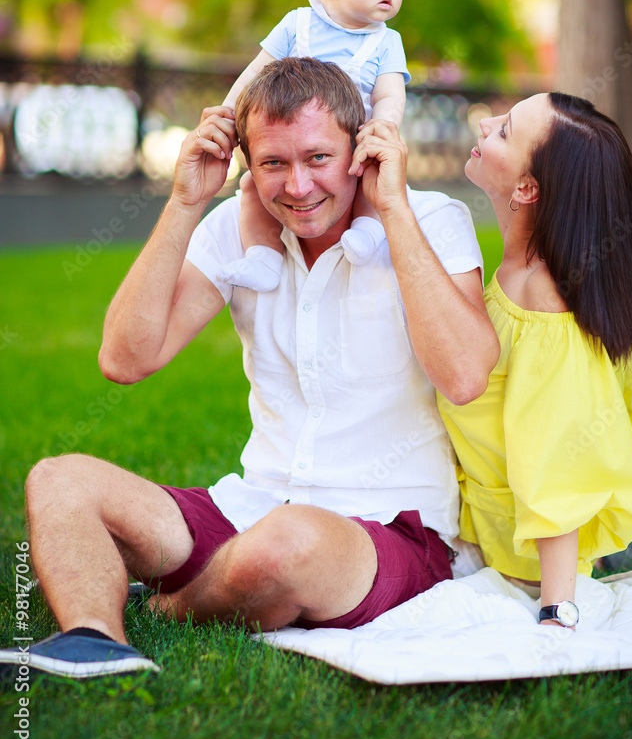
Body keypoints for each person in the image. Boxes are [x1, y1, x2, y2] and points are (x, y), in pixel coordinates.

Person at [0, 57, 499, 679]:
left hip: (388, 531)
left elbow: (466, 375)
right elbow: (125, 359)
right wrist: (185, 202)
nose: (296, 185)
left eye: (318, 158)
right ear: (247, 162)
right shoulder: (236, 233)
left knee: (289, 543)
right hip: (251, 508)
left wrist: (391, 207)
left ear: (360, 148)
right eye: (273, 163)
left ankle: (168, 607)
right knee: (59, 481)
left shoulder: (428, 221)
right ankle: (94, 641)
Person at [437, 91, 632, 630]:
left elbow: (558, 462)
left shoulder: (543, 301)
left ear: (526, 188)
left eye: (504, 131)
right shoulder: (530, 275)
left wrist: (556, 611)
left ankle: (617, 552)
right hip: (502, 529)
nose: (486, 122)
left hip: (532, 560)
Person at [218, 0, 409, 293]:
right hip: (293, 143)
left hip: (354, 145)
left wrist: (383, 127)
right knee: (252, 187)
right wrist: (226, 116)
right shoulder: (298, 25)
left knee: (372, 180)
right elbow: (255, 74)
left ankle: (367, 233)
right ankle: (262, 256)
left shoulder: (386, 41)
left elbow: (389, 94)